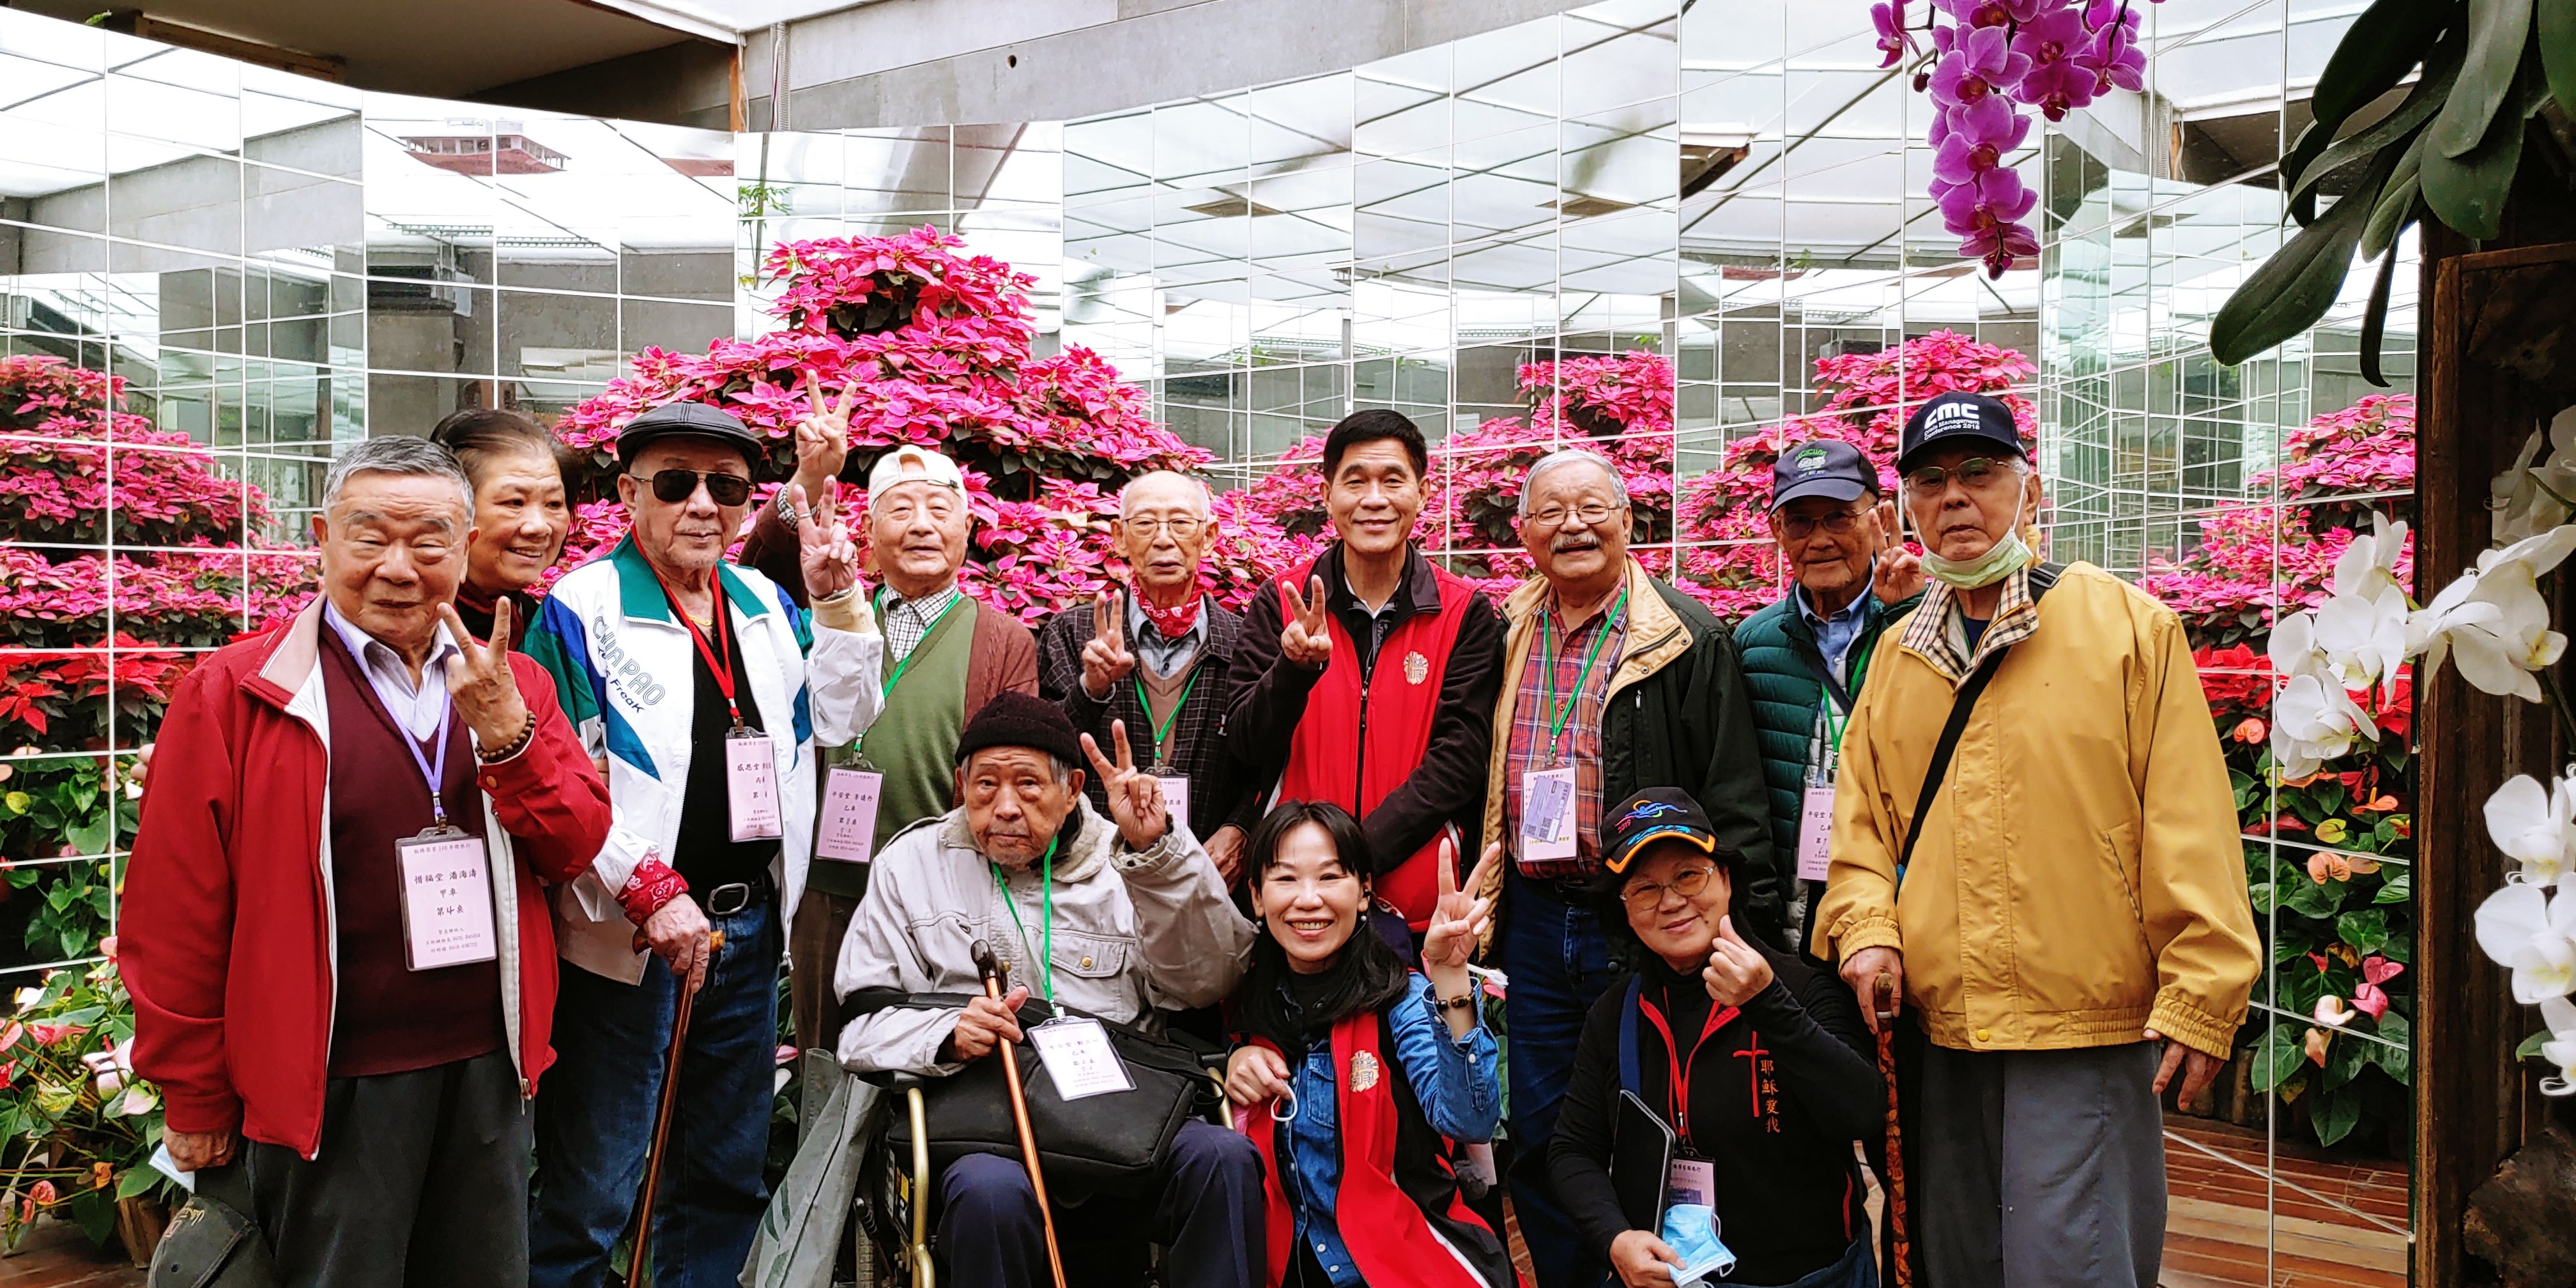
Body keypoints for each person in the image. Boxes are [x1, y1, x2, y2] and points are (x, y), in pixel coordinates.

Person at [121, 436, 613, 1287]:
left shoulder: (516, 685)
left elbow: (576, 846)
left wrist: (510, 745)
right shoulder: (239, 692)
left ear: (463, 548)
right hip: (329, 1082)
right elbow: (176, 912)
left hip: (484, 1068)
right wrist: (192, 1093)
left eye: (427, 540)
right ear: (321, 538)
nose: (398, 567)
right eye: (369, 535)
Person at [1813, 391, 2262, 1288]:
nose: (1956, 499)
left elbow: (2190, 820)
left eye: (1980, 473)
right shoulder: (1898, 658)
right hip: (1943, 1026)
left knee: (2076, 1264)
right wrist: (1866, 932)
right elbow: (1859, 828)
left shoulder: (2128, 628)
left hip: (2083, 1021)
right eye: (1932, 481)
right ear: (1908, 508)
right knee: (1956, 1260)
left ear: (2032, 490)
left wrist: (2206, 988)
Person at [522, 399, 885, 1288]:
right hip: (630, 938)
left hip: (746, 929)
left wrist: (838, 599)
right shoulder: (583, 607)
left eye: (726, 487)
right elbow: (563, 777)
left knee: (720, 1172)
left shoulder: (761, 599)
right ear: (629, 493)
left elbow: (844, 714)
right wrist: (644, 888)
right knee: (598, 1179)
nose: (702, 506)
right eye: (676, 483)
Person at [834, 693, 1261, 1288]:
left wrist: (1158, 858)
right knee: (990, 1194)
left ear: (1073, 789)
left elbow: (1206, 981)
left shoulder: (1126, 859)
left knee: (1223, 1160)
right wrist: (946, 1035)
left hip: (1119, 1114)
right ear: (961, 784)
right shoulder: (911, 864)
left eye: (1029, 786)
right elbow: (860, 1022)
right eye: (985, 785)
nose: (1005, 807)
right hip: (982, 1125)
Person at [1472, 448, 1773, 1288]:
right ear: (1525, 533)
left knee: (1649, 1124)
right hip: (1531, 921)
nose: (1574, 525)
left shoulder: (1685, 636)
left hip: (1635, 918)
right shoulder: (1508, 632)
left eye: (1593, 507)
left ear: (1629, 522)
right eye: (1552, 512)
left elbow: (1735, 798)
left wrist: (1722, 938)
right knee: (1539, 1128)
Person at [1550, 788, 1882, 1288]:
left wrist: (1767, 1005)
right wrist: (1616, 1239)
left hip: (1810, 1278)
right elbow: (1572, 1151)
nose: (1672, 902)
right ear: (1623, 910)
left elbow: (1863, 1112)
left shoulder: (1802, 988)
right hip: (1679, 1279)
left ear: (1726, 879)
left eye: (1688, 875)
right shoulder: (1616, 1016)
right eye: (1645, 889)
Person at [792, 441, 1040, 1058]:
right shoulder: (825, 618)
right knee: (828, 1052)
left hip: (942, 898)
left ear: (967, 528)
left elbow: (1011, 771)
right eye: (900, 510)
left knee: (935, 1048)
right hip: (830, 887)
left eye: (939, 509)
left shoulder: (1003, 640)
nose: (922, 525)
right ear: (869, 531)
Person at [1227, 409, 1505, 931]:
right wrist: (1291, 672)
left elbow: (1462, 757)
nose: (1374, 499)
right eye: (1355, 481)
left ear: (1422, 494)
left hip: (1417, 902)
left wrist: (1355, 857)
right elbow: (1246, 746)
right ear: (1328, 495)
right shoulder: (1281, 601)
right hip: (1298, 900)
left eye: (1393, 481)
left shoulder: (1463, 611)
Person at [1223, 803, 1514, 1288]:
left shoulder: (1399, 1000)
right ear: (1256, 896)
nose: (1308, 900)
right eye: (1286, 880)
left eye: (1330, 877)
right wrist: (1233, 1060)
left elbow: (1470, 1120)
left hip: (1405, 1263)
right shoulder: (1247, 1008)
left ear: (1364, 892)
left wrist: (1451, 981)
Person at [1730, 439, 1922, 950]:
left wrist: (1905, 615)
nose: (1819, 540)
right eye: (1800, 522)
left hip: (1903, 906)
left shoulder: (1924, 622)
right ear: (1778, 533)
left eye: (1838, 518)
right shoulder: (1754, 643)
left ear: (1878, 520)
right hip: (1792, 909)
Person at [1038, 470, 1254, 882]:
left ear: (1208, 536)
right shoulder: (1072, 634)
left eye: (1180, 522)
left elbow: (1269, 760)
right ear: (1120, 536)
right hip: (1092, 875)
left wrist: (1242, 826)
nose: (1163, 539)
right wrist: (1092, 688)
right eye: (1146, 523)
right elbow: (1044, 756)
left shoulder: (1243, 641)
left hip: (1206, 874)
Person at [429, 408, 574, 647]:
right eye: (515, 502)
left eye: (554, 504)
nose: (539, 527)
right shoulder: (410, 622)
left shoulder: (550, 627)